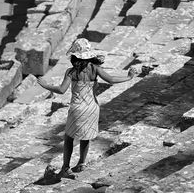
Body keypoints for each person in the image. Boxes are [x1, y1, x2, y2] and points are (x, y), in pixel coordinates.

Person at [38, 38, 137, 180]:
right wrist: (129, 77)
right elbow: (111, 80)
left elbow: (61, 90)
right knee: (86, 136)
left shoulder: (71, 72)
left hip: (77, 108)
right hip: (92, 108)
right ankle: (81, 163)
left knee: (69, 138)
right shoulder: (94, 68)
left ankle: (65, 168)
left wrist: (45, 84)